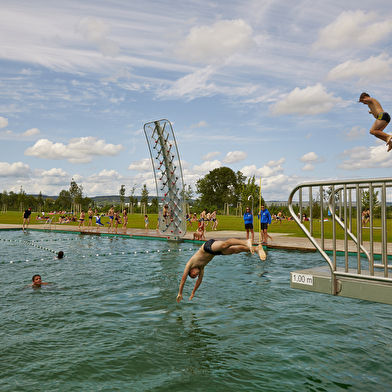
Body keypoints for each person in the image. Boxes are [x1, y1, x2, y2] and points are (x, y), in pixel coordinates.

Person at [176, 238, 265, 302]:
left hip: (207, 247)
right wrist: (193, 293)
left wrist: (180, 293)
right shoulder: (201, 267)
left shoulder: (189, 264)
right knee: (234, 250)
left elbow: (183, 279)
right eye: (194, 277)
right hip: (214, 252)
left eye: (192, 275)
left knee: (224, 245)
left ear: (190, 270)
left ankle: (245, 242)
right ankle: (256, 249)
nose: (195, 276)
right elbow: (199, 281)